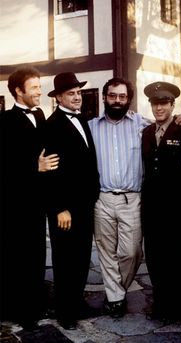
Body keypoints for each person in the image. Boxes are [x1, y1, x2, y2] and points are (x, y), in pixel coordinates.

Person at [88, 77, 181, 318]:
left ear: (129, 99)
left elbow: (166, 123)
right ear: (104, 97)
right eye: (112, 95)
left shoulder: (142, 124)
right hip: (103, 198)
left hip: (132, 199)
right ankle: (116, 298)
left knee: (132, 252)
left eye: (122, 96)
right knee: (106, 252)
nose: (117, 100)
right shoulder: (91, 127)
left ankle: (117, 289)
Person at [0, 67, 59, 330]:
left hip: (38, 203)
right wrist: (33, 167)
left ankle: (35, 303)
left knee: (36, 254)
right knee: (18, 257)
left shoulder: (40, 114)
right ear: (18, 91)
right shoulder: (4, 122)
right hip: (16, 204)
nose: (39, 91)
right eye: (34, 87)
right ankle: (21, 311)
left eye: (39, 86)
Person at [45, 72, 100, 330]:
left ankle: (76, 302)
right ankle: (65, 312)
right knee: (65, 259)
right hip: (65, 208)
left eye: (78, 92)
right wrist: (59, 208)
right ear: (58, 97)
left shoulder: (82, 119)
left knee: (80, 256)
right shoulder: (52, 125)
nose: (77, 97)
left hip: (85, 203)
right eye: (71, 93)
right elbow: (51, 172)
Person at [141, 81, 181, 323]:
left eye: (164, 103)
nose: (159, 108)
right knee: (154, 258)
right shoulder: (147, 132)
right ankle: (162, 304)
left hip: (176, 209)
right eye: (155, 104)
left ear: (172, 105)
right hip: (152, 209)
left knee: (178, 258)